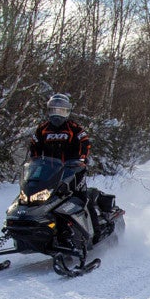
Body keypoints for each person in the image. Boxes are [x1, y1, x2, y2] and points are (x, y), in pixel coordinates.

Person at [30, 93, 101, 229]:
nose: (57, 114)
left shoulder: (74, 128)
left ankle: (95, 231)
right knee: (38, 200)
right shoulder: (42, 129)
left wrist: (81, 160)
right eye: (54, 110)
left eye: (61, 111)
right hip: (49, 173)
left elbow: (85, 142)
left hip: (72, 172)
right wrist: (35, 164)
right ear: (49, 111)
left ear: (67, 112)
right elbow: (34, 147)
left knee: (82, 199)